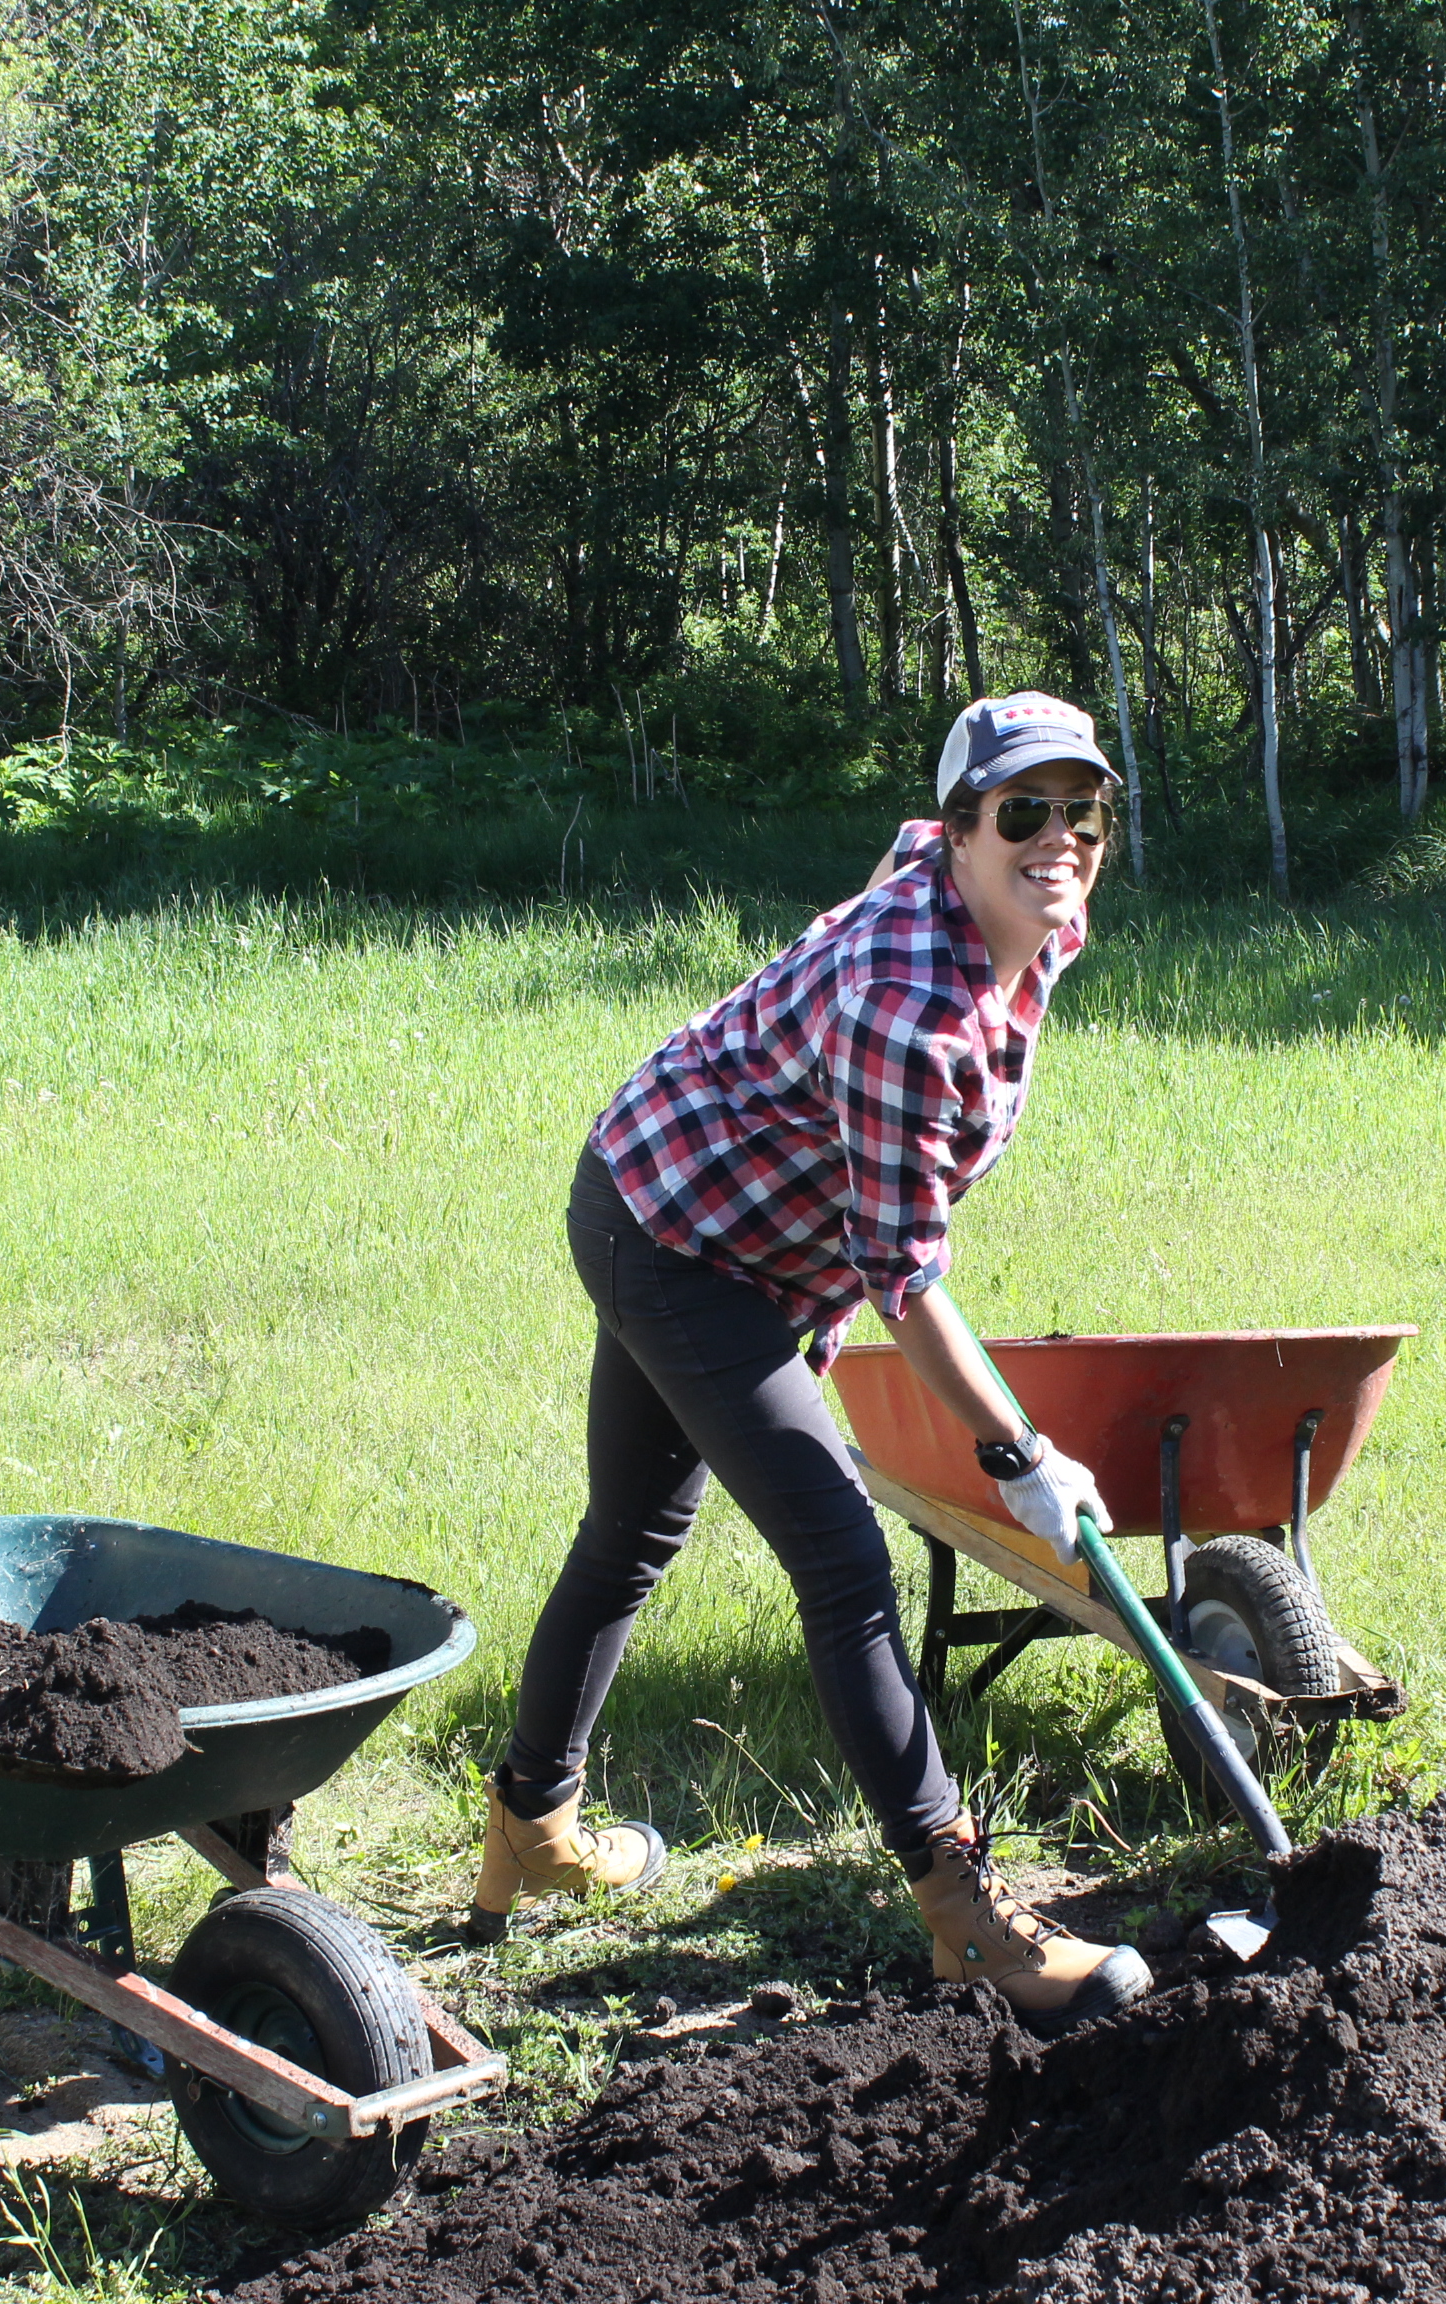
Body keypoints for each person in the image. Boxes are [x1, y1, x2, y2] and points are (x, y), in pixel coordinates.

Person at [470, 692, 1150, 2036]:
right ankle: (966, 1918)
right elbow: (906, 1275)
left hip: (706, 1218)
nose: (1061, 842)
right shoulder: (912, 1011)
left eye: (1085, 814)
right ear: (965, 831)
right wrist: (1022, 1452)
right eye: (1025, 814)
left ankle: (527, 1829)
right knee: (842, 1559)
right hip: (675, 1232)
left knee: (630, 1532)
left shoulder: (1031, 913)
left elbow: (920, 882)